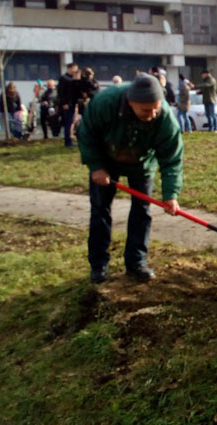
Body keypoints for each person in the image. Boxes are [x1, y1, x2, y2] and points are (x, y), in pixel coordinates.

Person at [77, 73, 183, 284]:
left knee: (141, 211)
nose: (152, 114)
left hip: (142, 162)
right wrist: (96, 166)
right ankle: (99, 265)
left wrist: (171, 195)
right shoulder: (105, 103)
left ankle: (136, 263)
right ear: (130, 102)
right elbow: (86, 133)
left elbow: (172, 159)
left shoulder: (164, 118)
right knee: (100, 210)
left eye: (156, 108)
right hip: (106, 159)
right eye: (146, 110)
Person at [58, 62, 81, 147]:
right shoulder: (64, 78)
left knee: (72, 122)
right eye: (74, 68)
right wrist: (64, 103)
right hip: (67, 103)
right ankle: (68, 142)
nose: (75, 70)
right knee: (68, 122)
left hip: (74, 102)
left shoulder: (73, 78)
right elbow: (61, 92)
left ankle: (71, 139)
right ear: (70, 68)